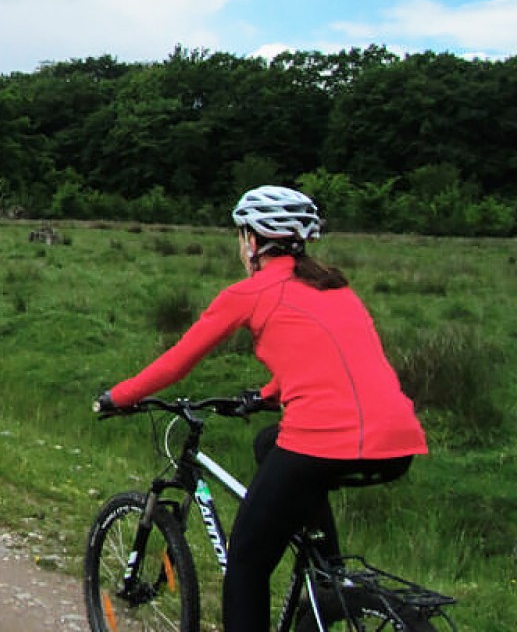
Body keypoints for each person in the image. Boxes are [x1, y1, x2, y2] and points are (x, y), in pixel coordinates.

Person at [95, 185, 427, 632]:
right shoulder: (336, 288)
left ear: (252, 241)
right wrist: (269, 394)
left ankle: (324, 576)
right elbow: (335, 362)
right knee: (269, 442)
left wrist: (118, 397)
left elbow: (178, 362)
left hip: (323, 441)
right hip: (397, 440)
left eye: (240, 235)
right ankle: (329, 576)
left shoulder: (250, 292)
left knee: (247, 562)